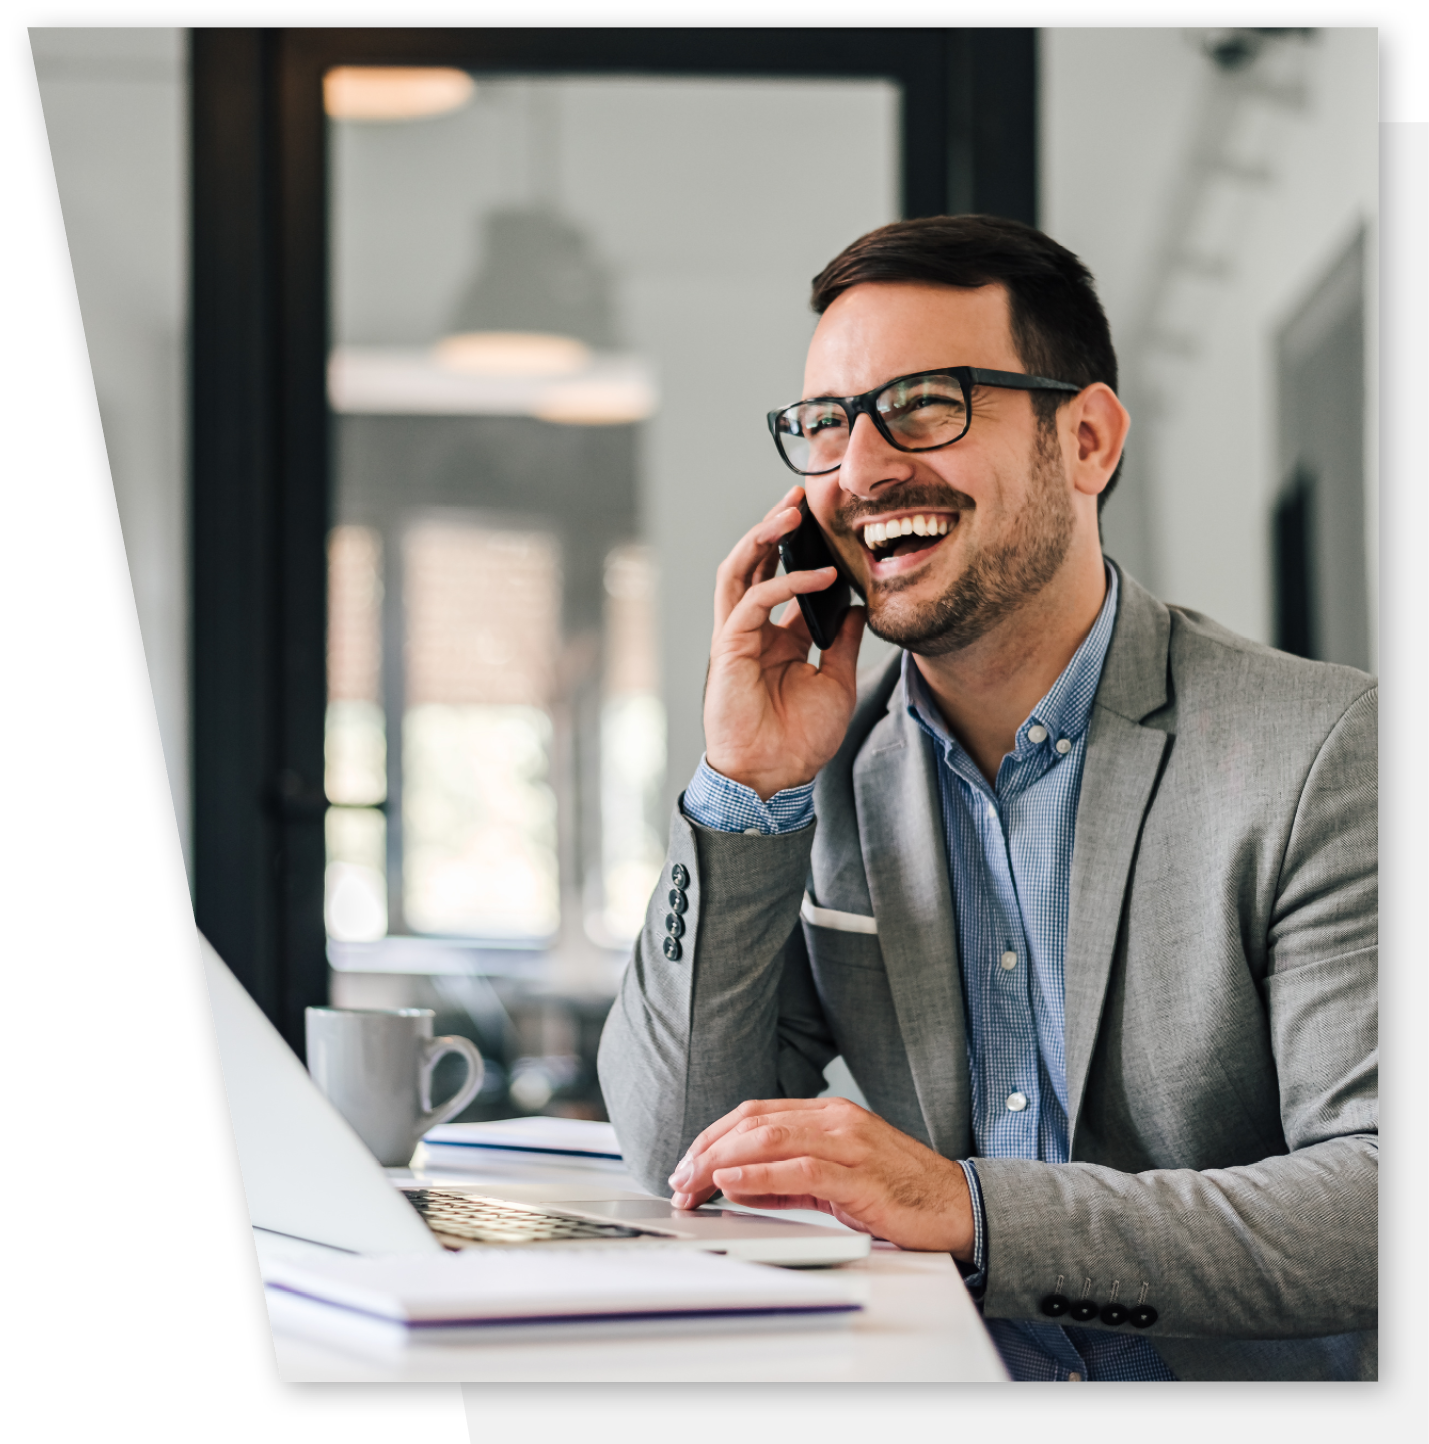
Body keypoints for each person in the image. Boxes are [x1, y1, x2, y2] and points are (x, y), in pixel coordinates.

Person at [596, 215, 1377, 1382]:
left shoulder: (1321, 749)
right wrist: (745, 786)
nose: (861, 471)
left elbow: (1379, 1200)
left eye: (924, 404)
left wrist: (968, 1208)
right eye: (827, 425)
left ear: (1088, 441)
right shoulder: (837, 782)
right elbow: (674, 1140)